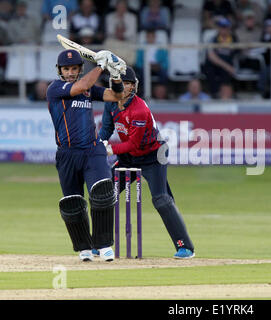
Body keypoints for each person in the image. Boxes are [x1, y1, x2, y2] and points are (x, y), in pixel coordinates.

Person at [99, 67, 195, 259]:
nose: (121, 87)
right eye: (117, 83)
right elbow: (106, 130)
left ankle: (185, 247)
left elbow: (133, 143)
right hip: (129, 158)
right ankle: (101, 244)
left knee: (161, 200)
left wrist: (110, 149)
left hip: (153, 157)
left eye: (125, 83)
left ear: (133, 86)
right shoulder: (110, 103)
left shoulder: (139, 110)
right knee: (104, 193)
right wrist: (99, 143)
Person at [46, 48, 126, 262]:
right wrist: (101, 65)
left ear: (81, 69)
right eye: (66, 69)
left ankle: (103, 245)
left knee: (102, 191)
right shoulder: (55, 88)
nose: (71, 72)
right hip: (67, 154)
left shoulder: (89, 89)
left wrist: (115, 76)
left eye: (74, 68)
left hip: (92, 150)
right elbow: (82, 86)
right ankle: (84, 247)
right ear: (60, 71)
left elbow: (117, 96)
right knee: (73, 203)